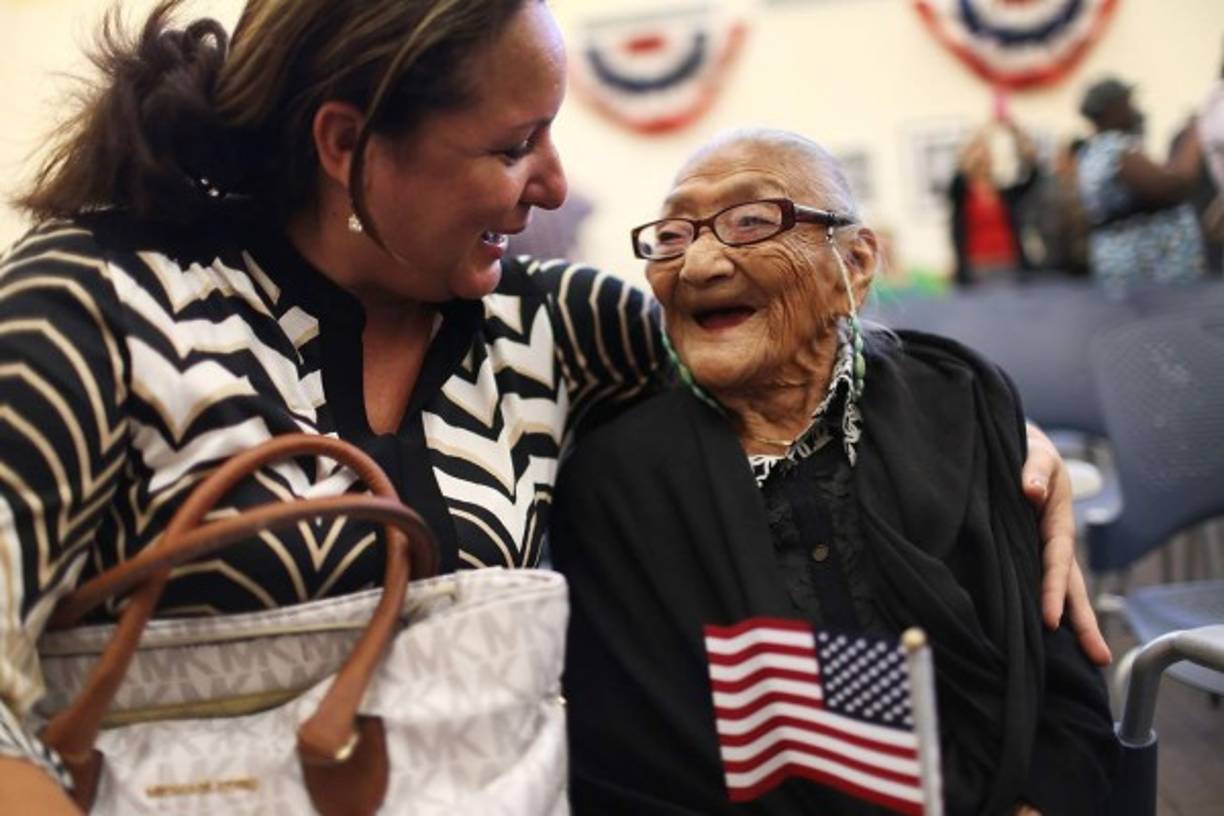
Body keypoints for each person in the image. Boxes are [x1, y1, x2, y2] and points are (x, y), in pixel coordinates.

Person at [0, 1, 1102, 811]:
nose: (557, 184)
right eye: (513, 145)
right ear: (344, 145)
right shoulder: (94, 306)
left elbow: (794, 360)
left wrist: (996, 442)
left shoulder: (552, 326)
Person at [552, 129, 1118, 816]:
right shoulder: (618, 483)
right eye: (671, 237)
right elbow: (633, 766)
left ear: (854, 262)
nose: (697, 263)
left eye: (750, 221)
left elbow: (1060, 694)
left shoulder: (959, 406)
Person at [1076, 77, 1206, 291]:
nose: (1134, 109)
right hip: (1148, 269)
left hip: (1130, 264)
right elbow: (1172, 187)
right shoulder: (1114, 149)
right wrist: (1195, 133)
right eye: (1127, 102)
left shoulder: (1092, 151)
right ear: (1111, 110)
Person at [947, 119, 1039, 286]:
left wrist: (1019, 138)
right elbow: (958, 176)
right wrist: (977, 140)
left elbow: (1031, 179)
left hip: (1008, 262)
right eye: (980, 155)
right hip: (977, 265)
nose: (984, 159)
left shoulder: (1004, 192)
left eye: (987, 155)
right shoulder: (962, 192)